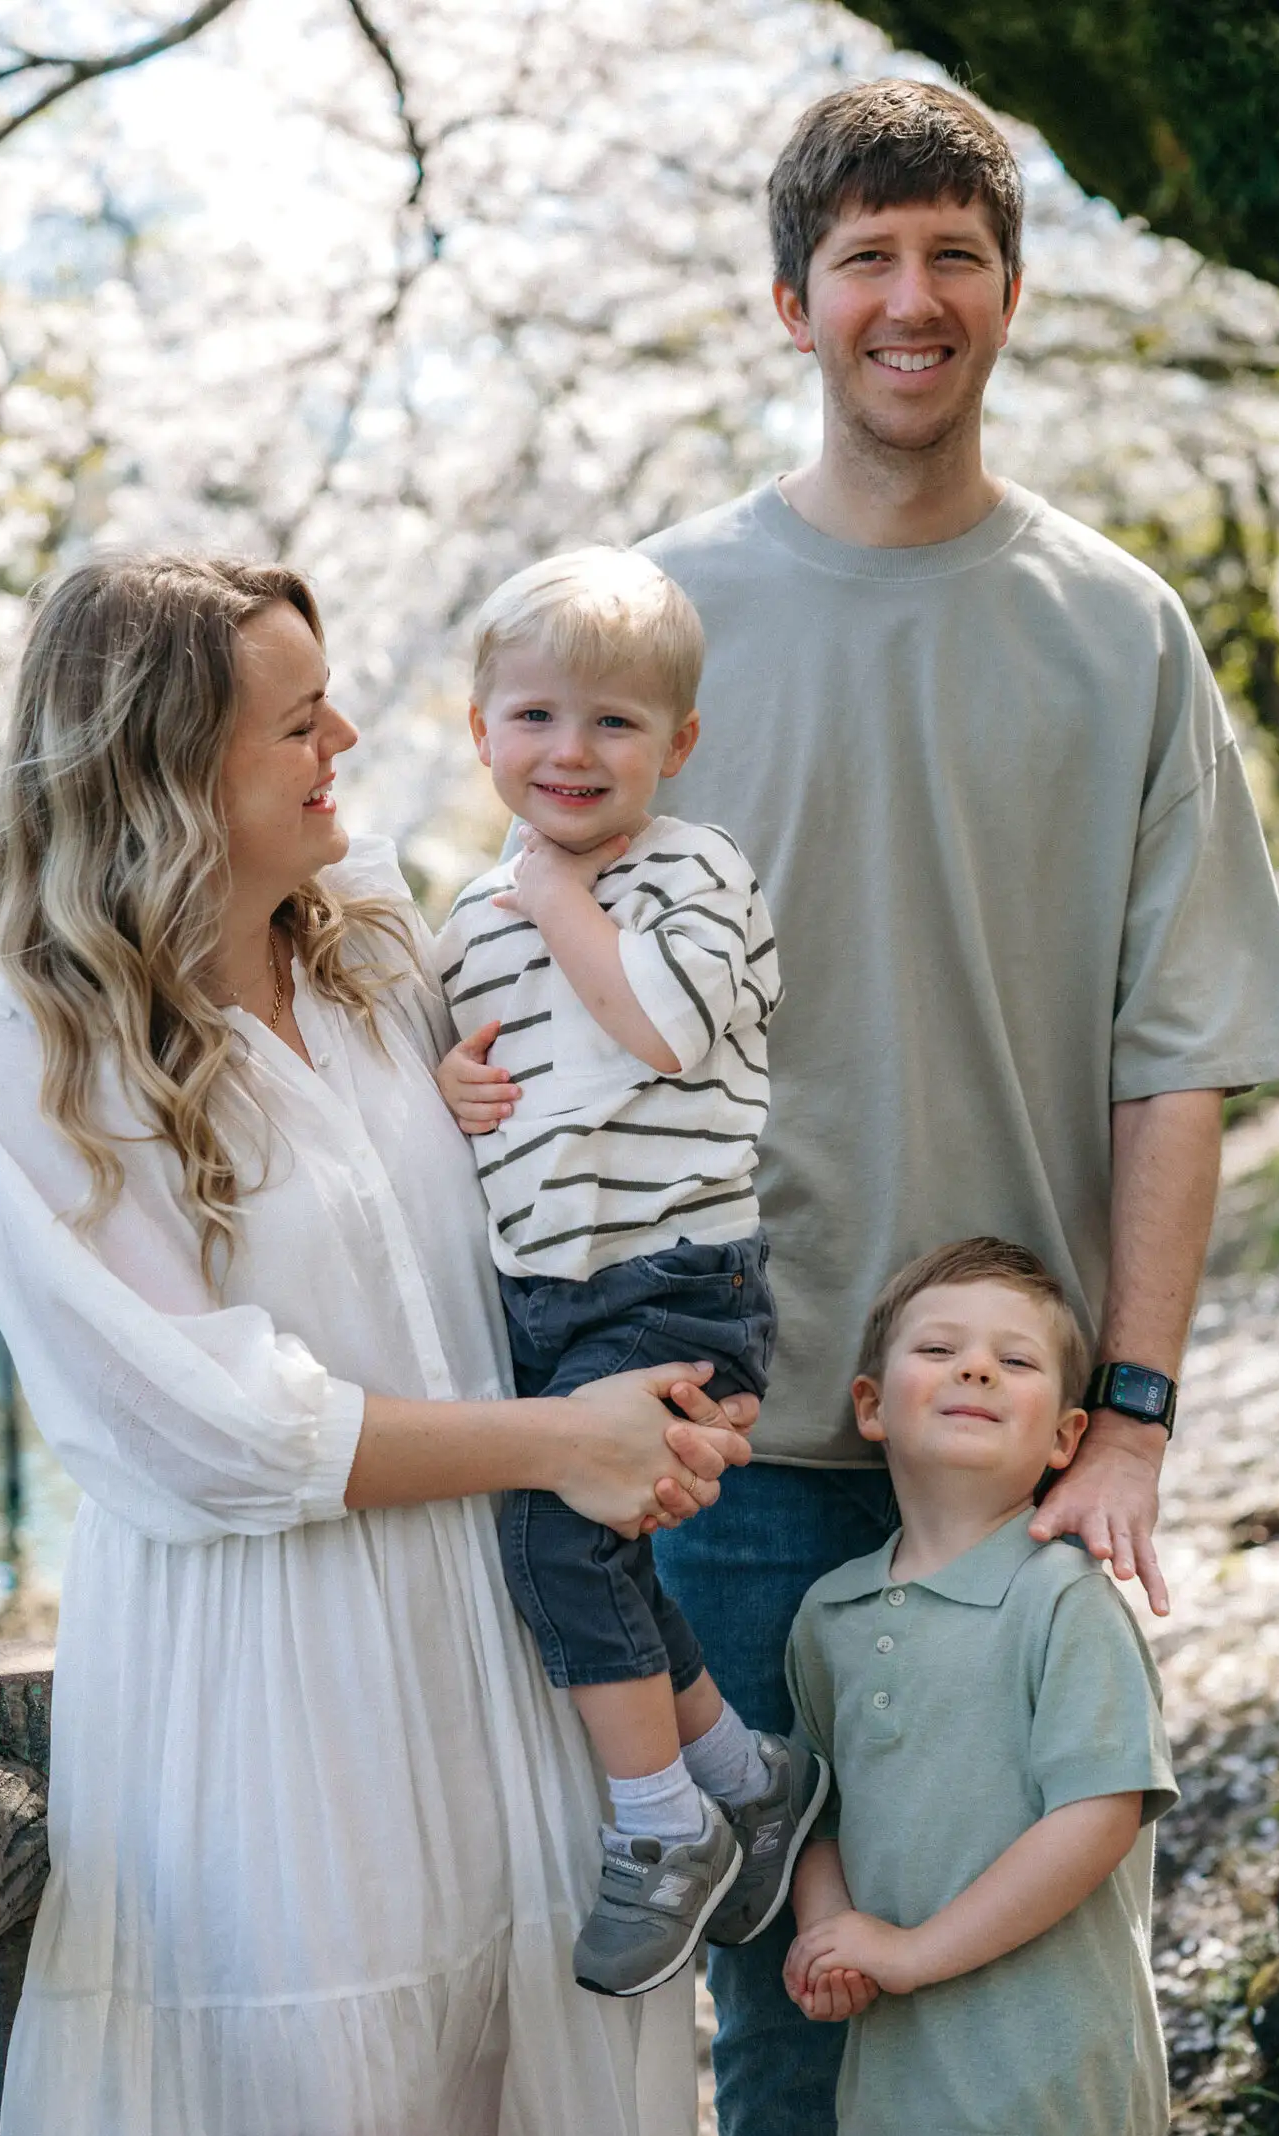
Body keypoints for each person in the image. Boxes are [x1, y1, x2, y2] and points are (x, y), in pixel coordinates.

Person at [643, 76, 1279, 2136]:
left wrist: (1125, 1409)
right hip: (731, 1421)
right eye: (862, 262)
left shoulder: (1116, 627)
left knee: (1007, 1977)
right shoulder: (673, 620)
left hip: (994, 1441)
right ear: (788, 301)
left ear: (1010, 292)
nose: (908, 303)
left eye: (951, 256)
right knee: (789, 1986)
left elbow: (1181, 1046)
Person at [0, 551, 755, 2136]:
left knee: (527, 2133)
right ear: (161, 767)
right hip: (272, 1703)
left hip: (496, 1654)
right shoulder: (25, 1051)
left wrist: (665, 1388)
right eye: (295, 721)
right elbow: (214, 1428)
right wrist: (568, 1441)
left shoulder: (382, 944)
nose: (348, 740)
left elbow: (582, 1191)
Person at [433, 548, 829, 1999]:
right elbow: (489, 1075)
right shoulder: (480, 911)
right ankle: (746, 1778)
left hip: (672, 1276)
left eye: (613, 722)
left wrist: (561, 906)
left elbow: (662, 1026)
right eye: (534, 716)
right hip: (549, 1284)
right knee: (587, 1550)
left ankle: (662, 1825)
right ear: (479, 730)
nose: (571, 752)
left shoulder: (691, 872)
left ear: (680, 743)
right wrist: (456, 1087)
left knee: (557, 1546)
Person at [784, 1237, 1177, 2136]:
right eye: (938, 1350)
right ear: (869, 1404)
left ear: (1066, 1436)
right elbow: (819, 1807)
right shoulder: (832, 1613)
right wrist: (832, 1929)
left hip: (1048, 2091)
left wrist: (912, 1952)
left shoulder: (1061, 1599)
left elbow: (1098, 1814)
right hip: (897, 2103)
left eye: (1014, 1362)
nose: (976, 1373)